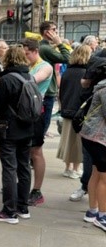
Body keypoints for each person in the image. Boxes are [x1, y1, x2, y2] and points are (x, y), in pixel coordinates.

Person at [0, 45, 34, 223]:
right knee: (24, 168)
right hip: (27, 129)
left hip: (9, 129)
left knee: (9, 168)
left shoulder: (7, 79)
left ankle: (9, 211)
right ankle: (23, 207)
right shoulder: (29, 77)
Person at [22, 39, 53, 206]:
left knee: (36, 152)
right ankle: (24, 185)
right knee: (25, 151)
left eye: (27, 54)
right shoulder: (28, 65)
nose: (25, 57)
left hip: (36, 113)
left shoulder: (45, 66)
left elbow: (33, 80)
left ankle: (37, 190)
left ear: (35, 51)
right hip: (25, 112)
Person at [56, 44, 91, 178]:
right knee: (77, 143)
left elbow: (61, 92)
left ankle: (67, 167)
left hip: (67, 109)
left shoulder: (67, 72)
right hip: (79, 112)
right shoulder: (86, 73)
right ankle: (76, 169)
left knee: (66, 140)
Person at [79, 62, 106, 231]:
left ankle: (92, 211)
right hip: (99, 137)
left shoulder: (101, 87)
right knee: (104, 178)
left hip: (92, 136)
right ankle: (102, 216)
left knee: (96, 173)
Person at [38, 21, 70, 135]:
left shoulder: (41, 47)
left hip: (43, 90)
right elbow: (68, 58)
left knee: (40, 127)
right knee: (43, 126)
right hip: (47, 92)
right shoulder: (45, 48)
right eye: (54, 30)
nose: (56, 33)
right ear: (47, 32)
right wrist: (60, 44)